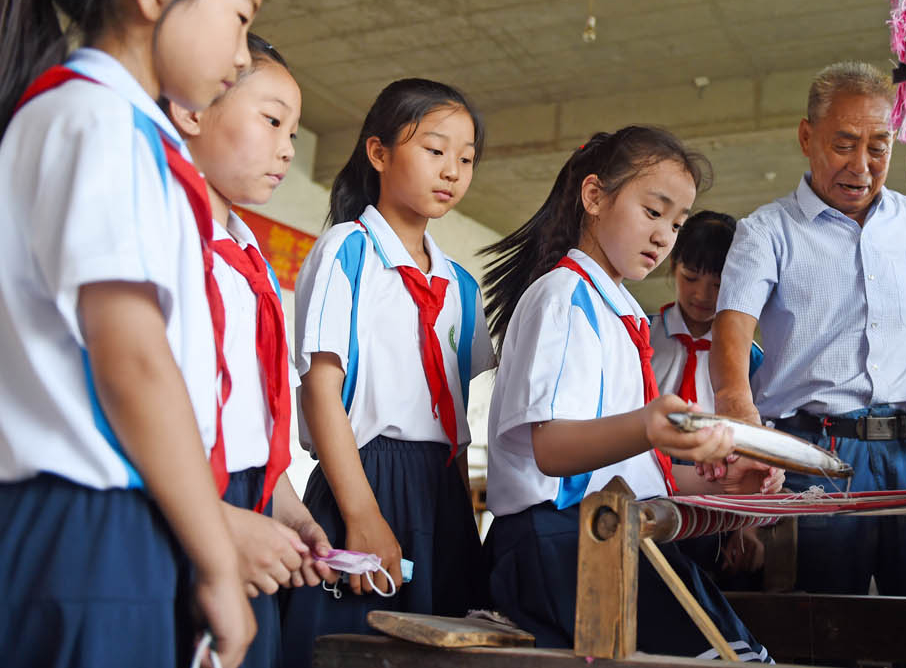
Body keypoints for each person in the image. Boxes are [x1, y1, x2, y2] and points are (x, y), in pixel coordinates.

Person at [0, 0, 268, 668]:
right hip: (86, 525)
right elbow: (135, 362)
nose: (243, 53)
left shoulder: (108, 127)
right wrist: (217, 554)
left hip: (103, 521)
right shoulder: (97, 123)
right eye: (240, 19)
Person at [480, 126, 780, 662]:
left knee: (742, 654)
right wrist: (647, 424)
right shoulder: (563, 296)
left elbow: (625, 473)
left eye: (677, 222)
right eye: (653, 211)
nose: (665, 235)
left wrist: (729, 481)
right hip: (559, 544)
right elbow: (553, 452)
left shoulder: (618, 311)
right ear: (594, 196)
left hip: (614, 534)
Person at [710, 62, 906, 599]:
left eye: (878, 147)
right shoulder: (767, 232)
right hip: (815, 459)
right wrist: (735, 401)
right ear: (807, 137)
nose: (862, 165)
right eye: (844, 144)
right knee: (821, 629)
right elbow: (732, 327)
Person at [280, 79, 495, 668]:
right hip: (366, 476)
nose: (452, 170)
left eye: (466, 158)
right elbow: (320, 387)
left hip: (443, 493)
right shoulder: (347, 250)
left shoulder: (462, 287)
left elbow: (453, 413)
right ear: (379, 153)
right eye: (434, 149)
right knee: (352, 649)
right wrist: (362, 515)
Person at [167, 34, 336, 668]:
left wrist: (283, 505)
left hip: (244, 501)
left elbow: (247, 421)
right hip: (176, 494)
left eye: (293, 132)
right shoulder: (168, 234)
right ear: (195, 109)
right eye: (272, 121)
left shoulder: (249, 260)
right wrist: (218, 521)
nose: (288, 148)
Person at [649, 210, 765, 580]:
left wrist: (747, 528)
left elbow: (759, 451)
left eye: (718, 284)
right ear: (673, 267)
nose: (702, 295)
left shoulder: (752, 362)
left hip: (718, 513)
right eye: (690, 277)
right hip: (647, 500)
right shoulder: (640, 339)